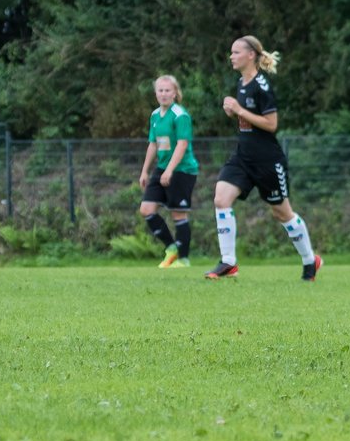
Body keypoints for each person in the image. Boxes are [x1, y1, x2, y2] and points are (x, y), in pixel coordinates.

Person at [205, 36, 322, 281]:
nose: (231, 56)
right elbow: (248, 119)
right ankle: (228, 262)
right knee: (221, 199)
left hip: (267, 160)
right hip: (243, 157)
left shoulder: (262, 86)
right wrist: (234, 113)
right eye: (231, 52)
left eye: (236, 52)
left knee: (282, 213)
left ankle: (310, 260)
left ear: (250, 55)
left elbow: (271, 124)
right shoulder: (242, 82)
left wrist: (238, 109)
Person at [138, 75, 199, 268]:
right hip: (162, 168)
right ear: (155, 93)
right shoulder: (155, 115)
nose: (163, 94)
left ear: (175, 93)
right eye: (160, 90)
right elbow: (153, 144)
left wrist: (170, 170)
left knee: (178, 214)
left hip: (182, 169)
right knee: (146, 209)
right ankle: (171, 248)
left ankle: (183, 259)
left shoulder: (180, 115)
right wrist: (145, 171)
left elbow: (182, 144)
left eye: (167, 90)